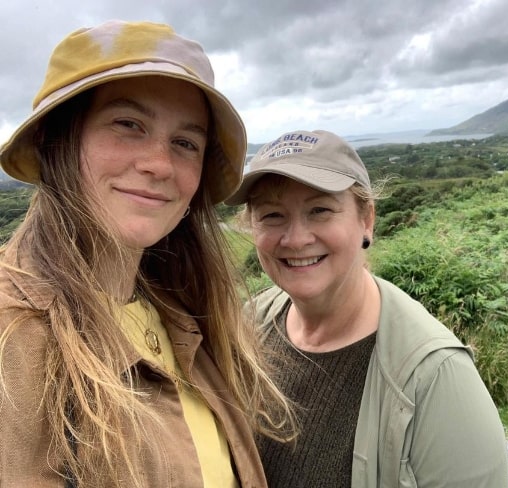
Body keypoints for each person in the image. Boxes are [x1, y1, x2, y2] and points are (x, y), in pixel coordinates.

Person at [0, 20, 294, 487]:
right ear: (56, 140)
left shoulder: (191, 315)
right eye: (128, 124)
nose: (159, 164)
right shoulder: (13, 337)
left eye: (185, 143)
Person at [225, 129, 508, 487]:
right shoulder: (253, 322)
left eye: (320, 210)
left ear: (367, 220)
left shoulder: (435, 375)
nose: (296, 238)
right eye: (272, 215)